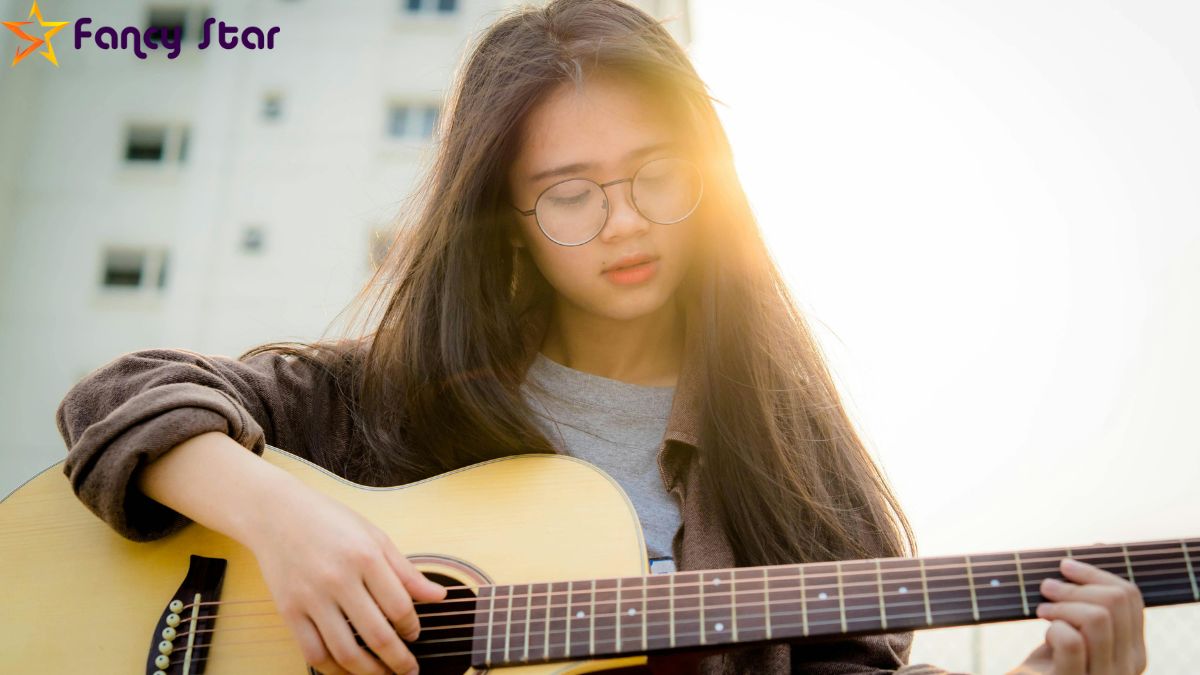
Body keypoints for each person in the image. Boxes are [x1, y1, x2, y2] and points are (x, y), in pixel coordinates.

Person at [54, 1, 1147, 673]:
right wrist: (289, 527)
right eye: (568, 193)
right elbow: (119, 399)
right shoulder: (387, 402)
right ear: (514, 230)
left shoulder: (791, 457)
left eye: (655, 176)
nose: (622, 220)